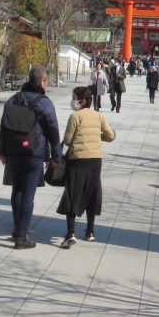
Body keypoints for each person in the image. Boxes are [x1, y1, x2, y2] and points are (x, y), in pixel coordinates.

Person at [0, 63, 62, 250]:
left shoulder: (13, 99)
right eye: (46, 81)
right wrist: (56, 156)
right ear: (42, 82)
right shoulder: (44, 102)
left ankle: (17, 228)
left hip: (13, 150)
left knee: (17, 190)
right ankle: (22, 236)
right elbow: (53, 131)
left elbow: (3, 127)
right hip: (35, 151)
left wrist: (1, 151)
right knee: (28, 194)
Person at [59, 86, 115, 247]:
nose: (72, 101)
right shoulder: (98, 116)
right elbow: (111, 135)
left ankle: (70, 233)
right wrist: (98, 137)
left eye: (74, 98)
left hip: (78, 161)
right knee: (92, 193)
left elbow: (67, 141)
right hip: (95, 161)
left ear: (81, 101)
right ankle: (90, 231)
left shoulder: (75, 116)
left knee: (72, 194)